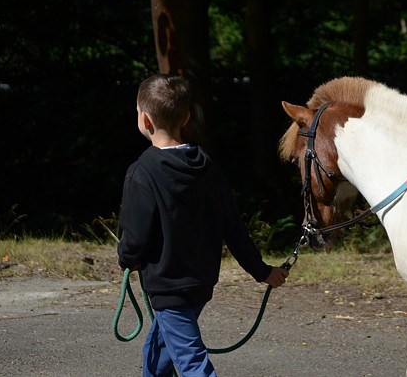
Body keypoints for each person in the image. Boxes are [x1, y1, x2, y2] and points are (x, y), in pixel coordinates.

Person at [117, 74, 289, 377]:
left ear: (144, 120)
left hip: (169, 288)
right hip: (200, 284)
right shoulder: (206, 167)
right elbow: (233, 227)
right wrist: (261, 271)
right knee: (158, 354)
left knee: (193, 364)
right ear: (185, 117)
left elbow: (135, 237)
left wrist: (127, 258)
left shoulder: (141, 173)